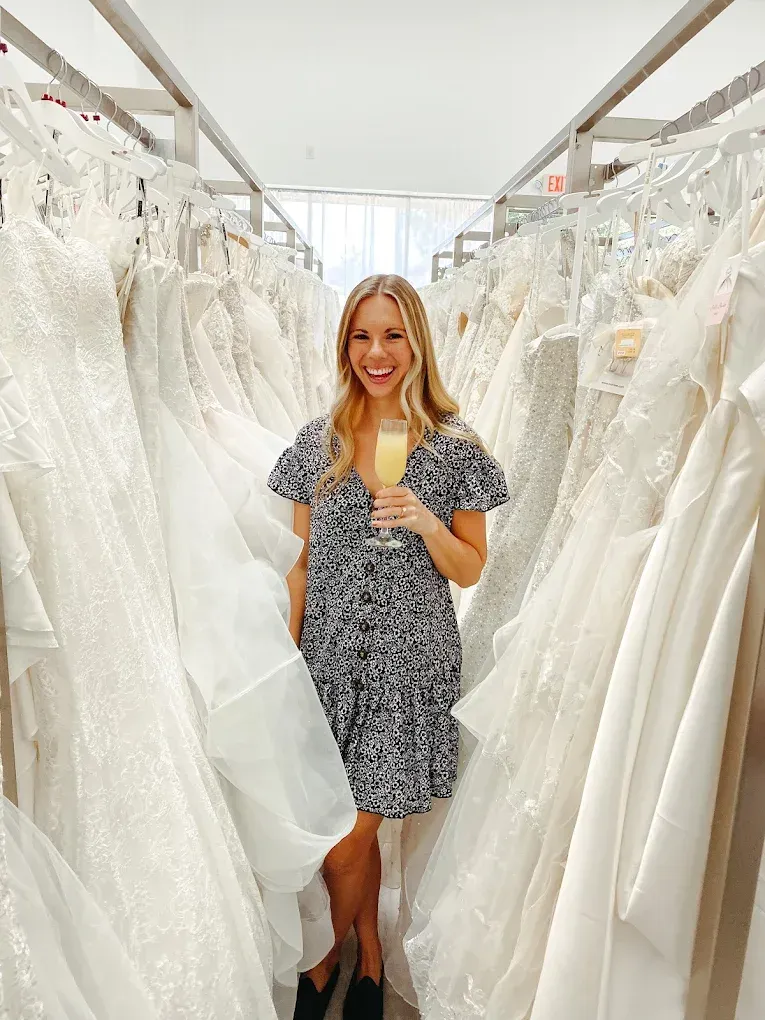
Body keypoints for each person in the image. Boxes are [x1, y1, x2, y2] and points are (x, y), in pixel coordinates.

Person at [268, 274, 509, 1020]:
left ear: (417, 344)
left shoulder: (455, 447)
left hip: (411, 665)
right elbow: (301, 563)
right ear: (345, 344)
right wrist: (286, 661)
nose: (377, 352)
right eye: (361, 335)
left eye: (392, 335)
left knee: (349, 837)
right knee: (349, 824)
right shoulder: (318, 442)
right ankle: (369, 956)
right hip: (329, 662)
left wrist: (427, 524)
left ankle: (320, 966)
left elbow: (471, 567)